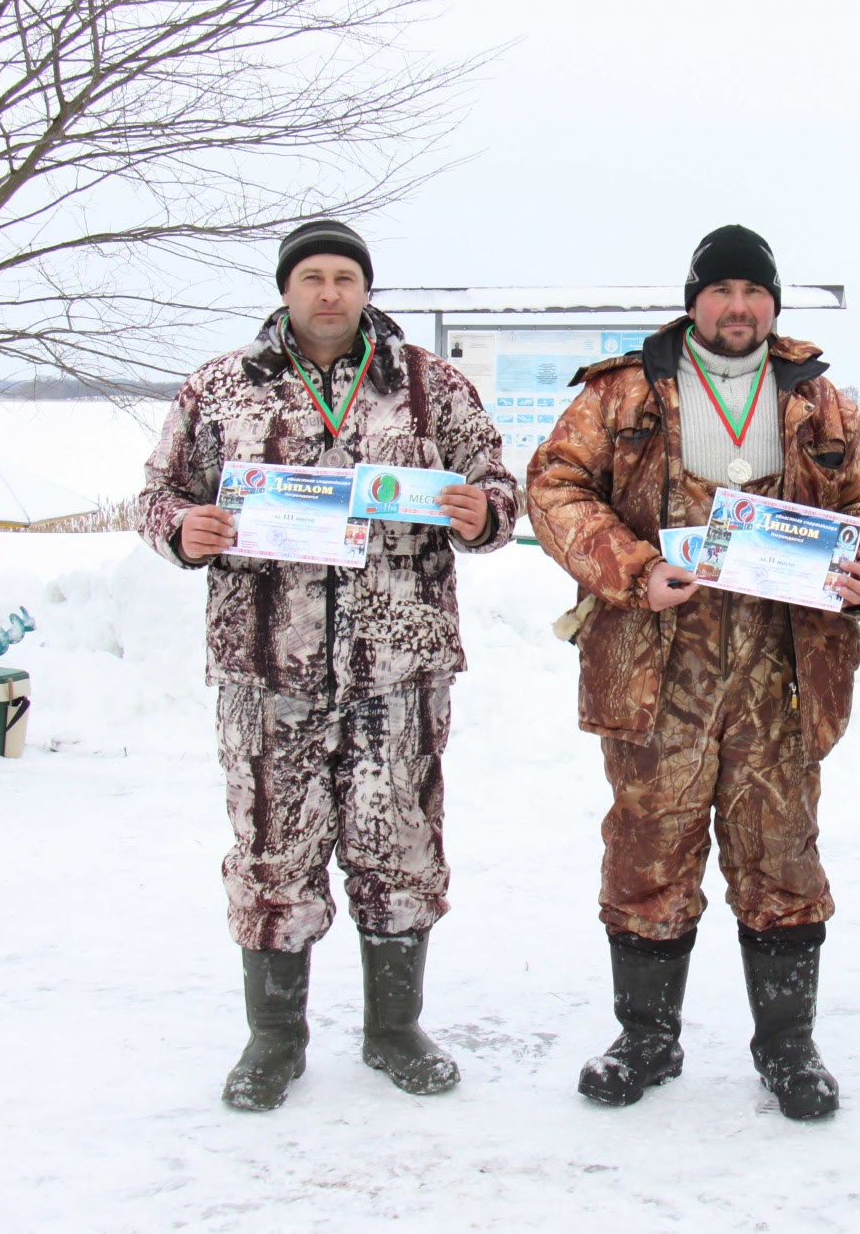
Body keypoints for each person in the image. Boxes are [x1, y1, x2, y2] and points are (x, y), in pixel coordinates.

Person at [137, 219, 518, 1111]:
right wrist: (181, 531)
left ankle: (394, 1027)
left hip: (400, 669)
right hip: (269, 668)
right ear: (286, 287)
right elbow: (157, 494)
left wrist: (480, 513)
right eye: (312, 275)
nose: (329, 292)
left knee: (402, 844)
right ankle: (275, 1037)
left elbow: (502, 483)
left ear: (366, 287)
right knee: (274, 848)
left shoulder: (432, 387)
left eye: (345, 276)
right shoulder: (219, 387)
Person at [527, 225, 860, 1120]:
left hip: (782, 664)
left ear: (774, 306)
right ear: (694, 300)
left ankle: (788, 1048)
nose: (739, 307)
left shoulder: (821, 401)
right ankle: (646, 1040)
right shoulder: (622, 391)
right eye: (721, 290)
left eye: (755, 292)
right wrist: (629, 566)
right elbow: (553, 487)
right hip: (657, 663)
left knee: (782, 854)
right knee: (648, 847)